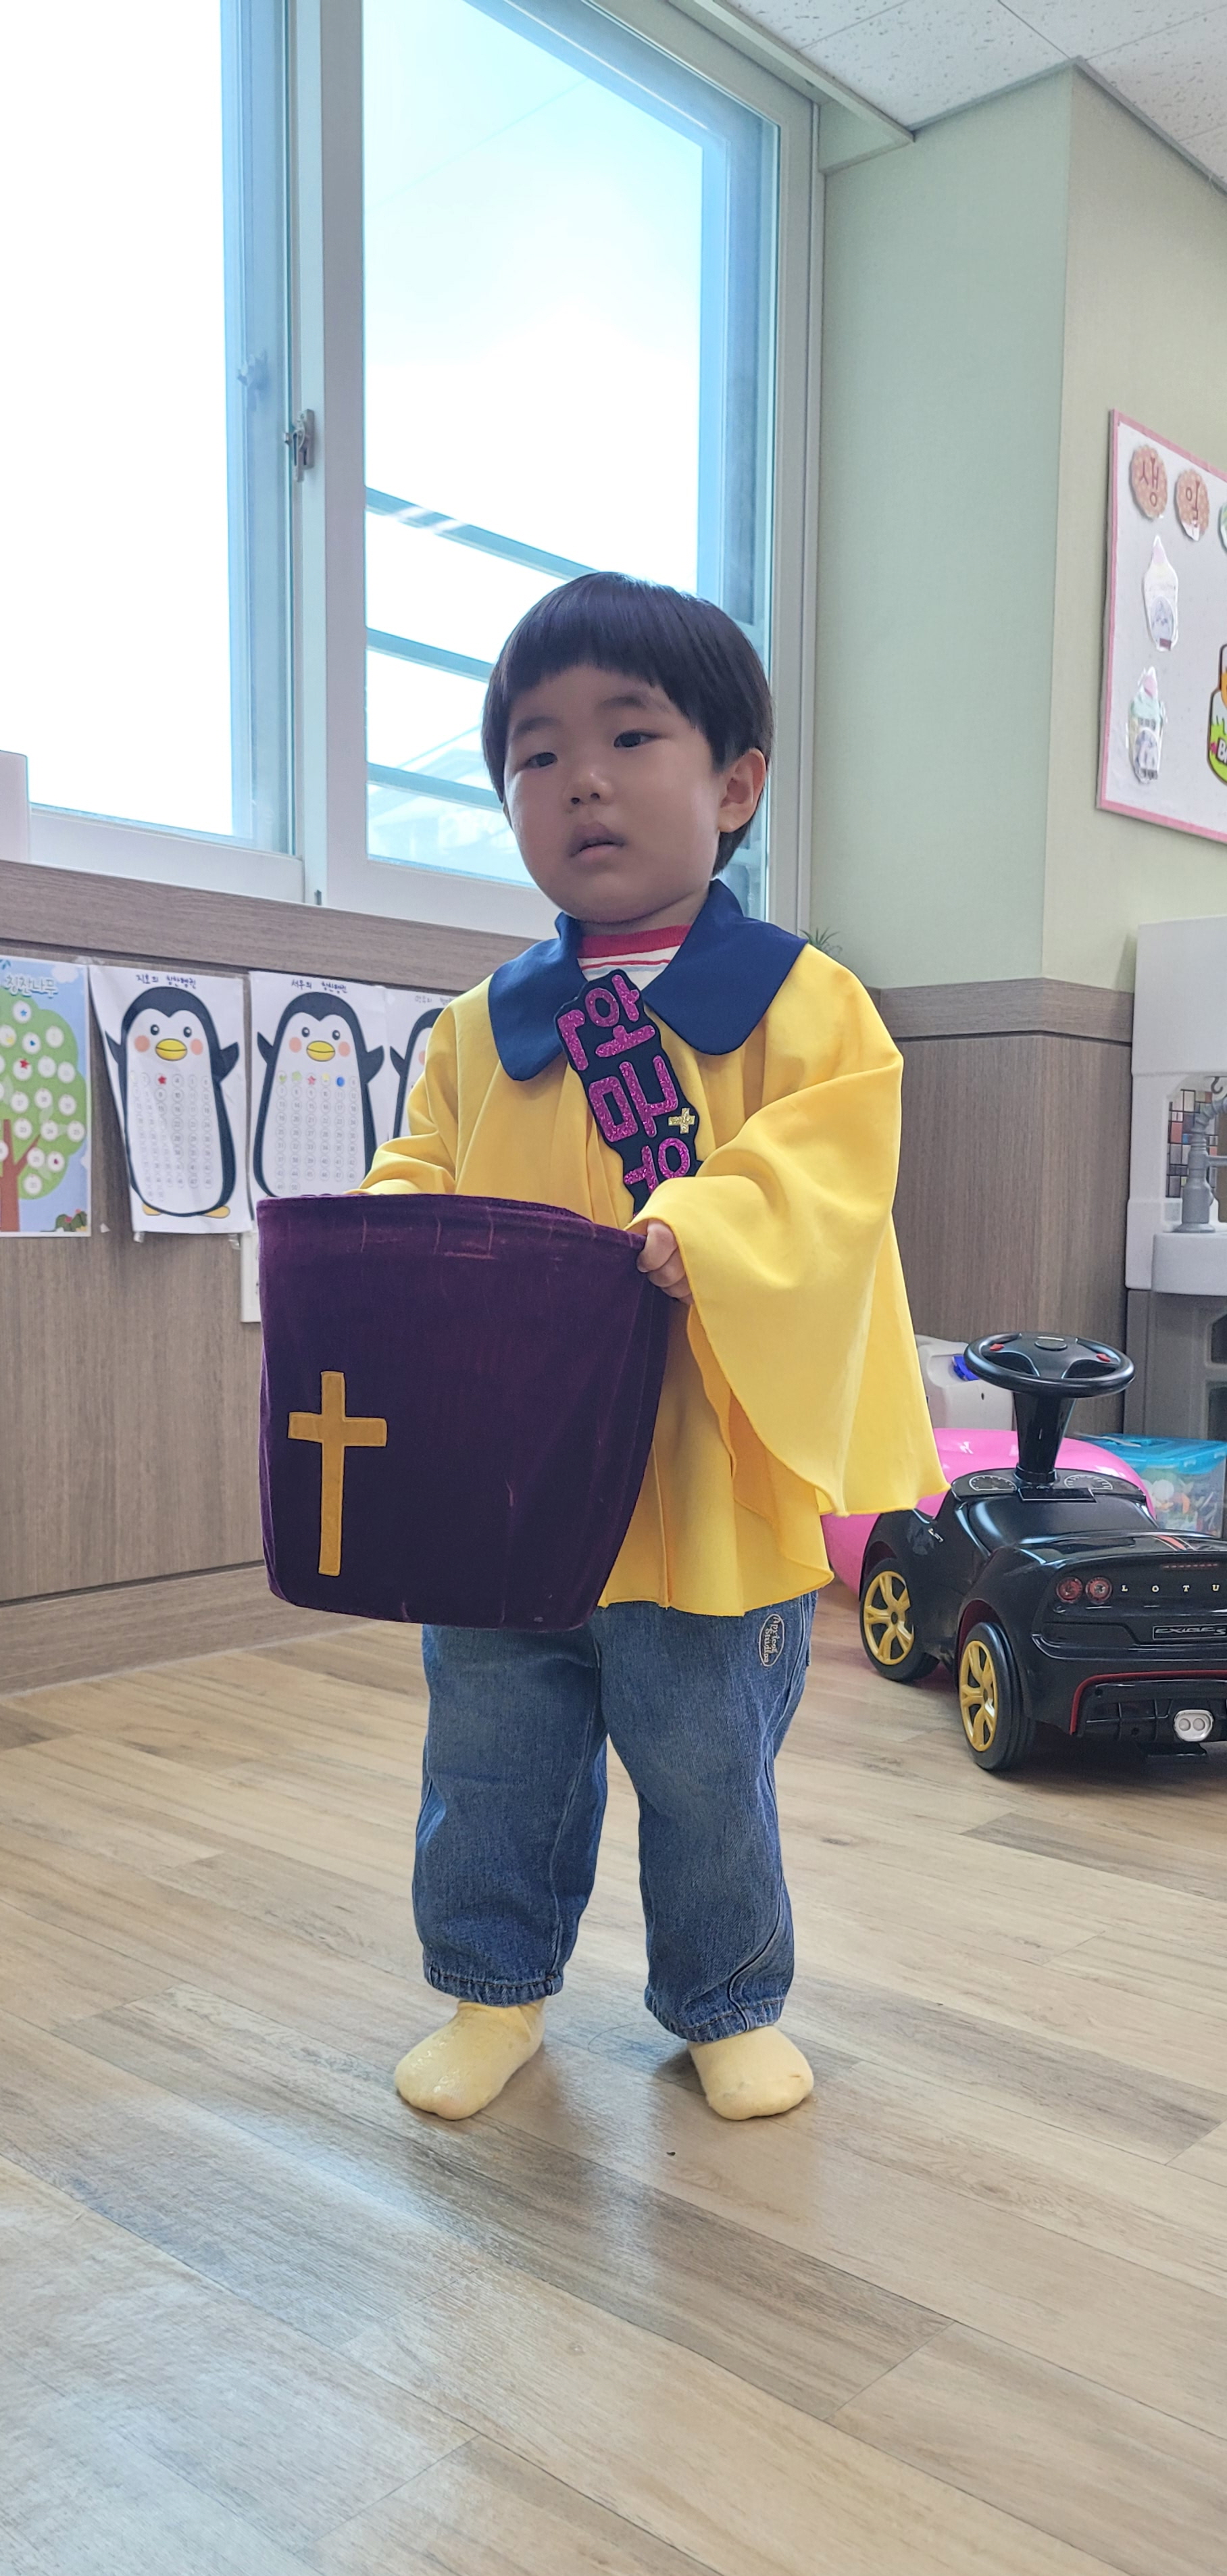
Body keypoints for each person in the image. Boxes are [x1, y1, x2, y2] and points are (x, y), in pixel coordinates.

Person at [362, 573, 941, 2123]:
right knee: (489, 1757)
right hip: (507, 1492)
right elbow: (422, 1167)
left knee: (704, 1770)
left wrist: (708, 1219)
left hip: (702, 1485)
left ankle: (724, 1999)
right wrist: (380, 1239)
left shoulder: (803, 1006)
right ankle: (491, 1991)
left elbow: (826, 1172)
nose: (581, 781)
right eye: (535, 754)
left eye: (628, 737)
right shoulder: (480, 1028)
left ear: (734, 784)